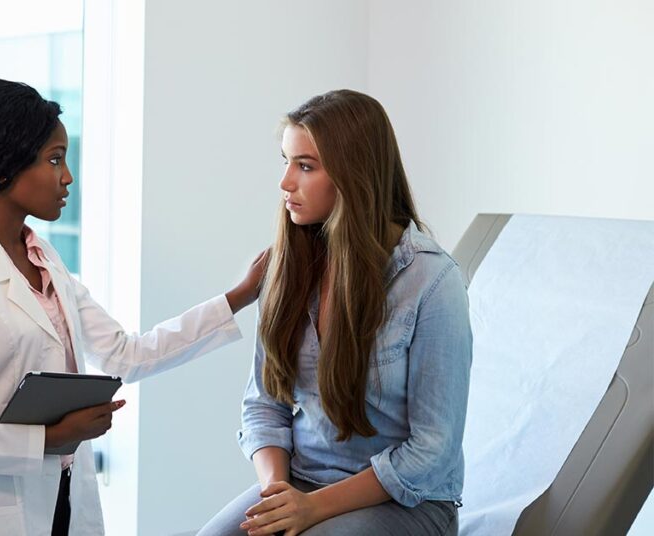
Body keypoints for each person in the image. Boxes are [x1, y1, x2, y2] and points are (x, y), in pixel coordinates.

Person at [0, 79, 266, 536]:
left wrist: (240, 295)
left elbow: (127, 354)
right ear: (5, 168)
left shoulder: (43, 258)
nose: (67, 177)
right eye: (54, 159)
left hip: (65, 499)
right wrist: (46, 440)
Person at [198, 90, 472, 536]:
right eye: (286, 161)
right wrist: (278, 496)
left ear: (354, 174)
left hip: (407, 500)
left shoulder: (432, 282)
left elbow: (432, 450)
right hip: (301, 482)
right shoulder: (286, 266)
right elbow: (264, 405)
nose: (285, 182)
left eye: (305, 166)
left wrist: (312, 508)